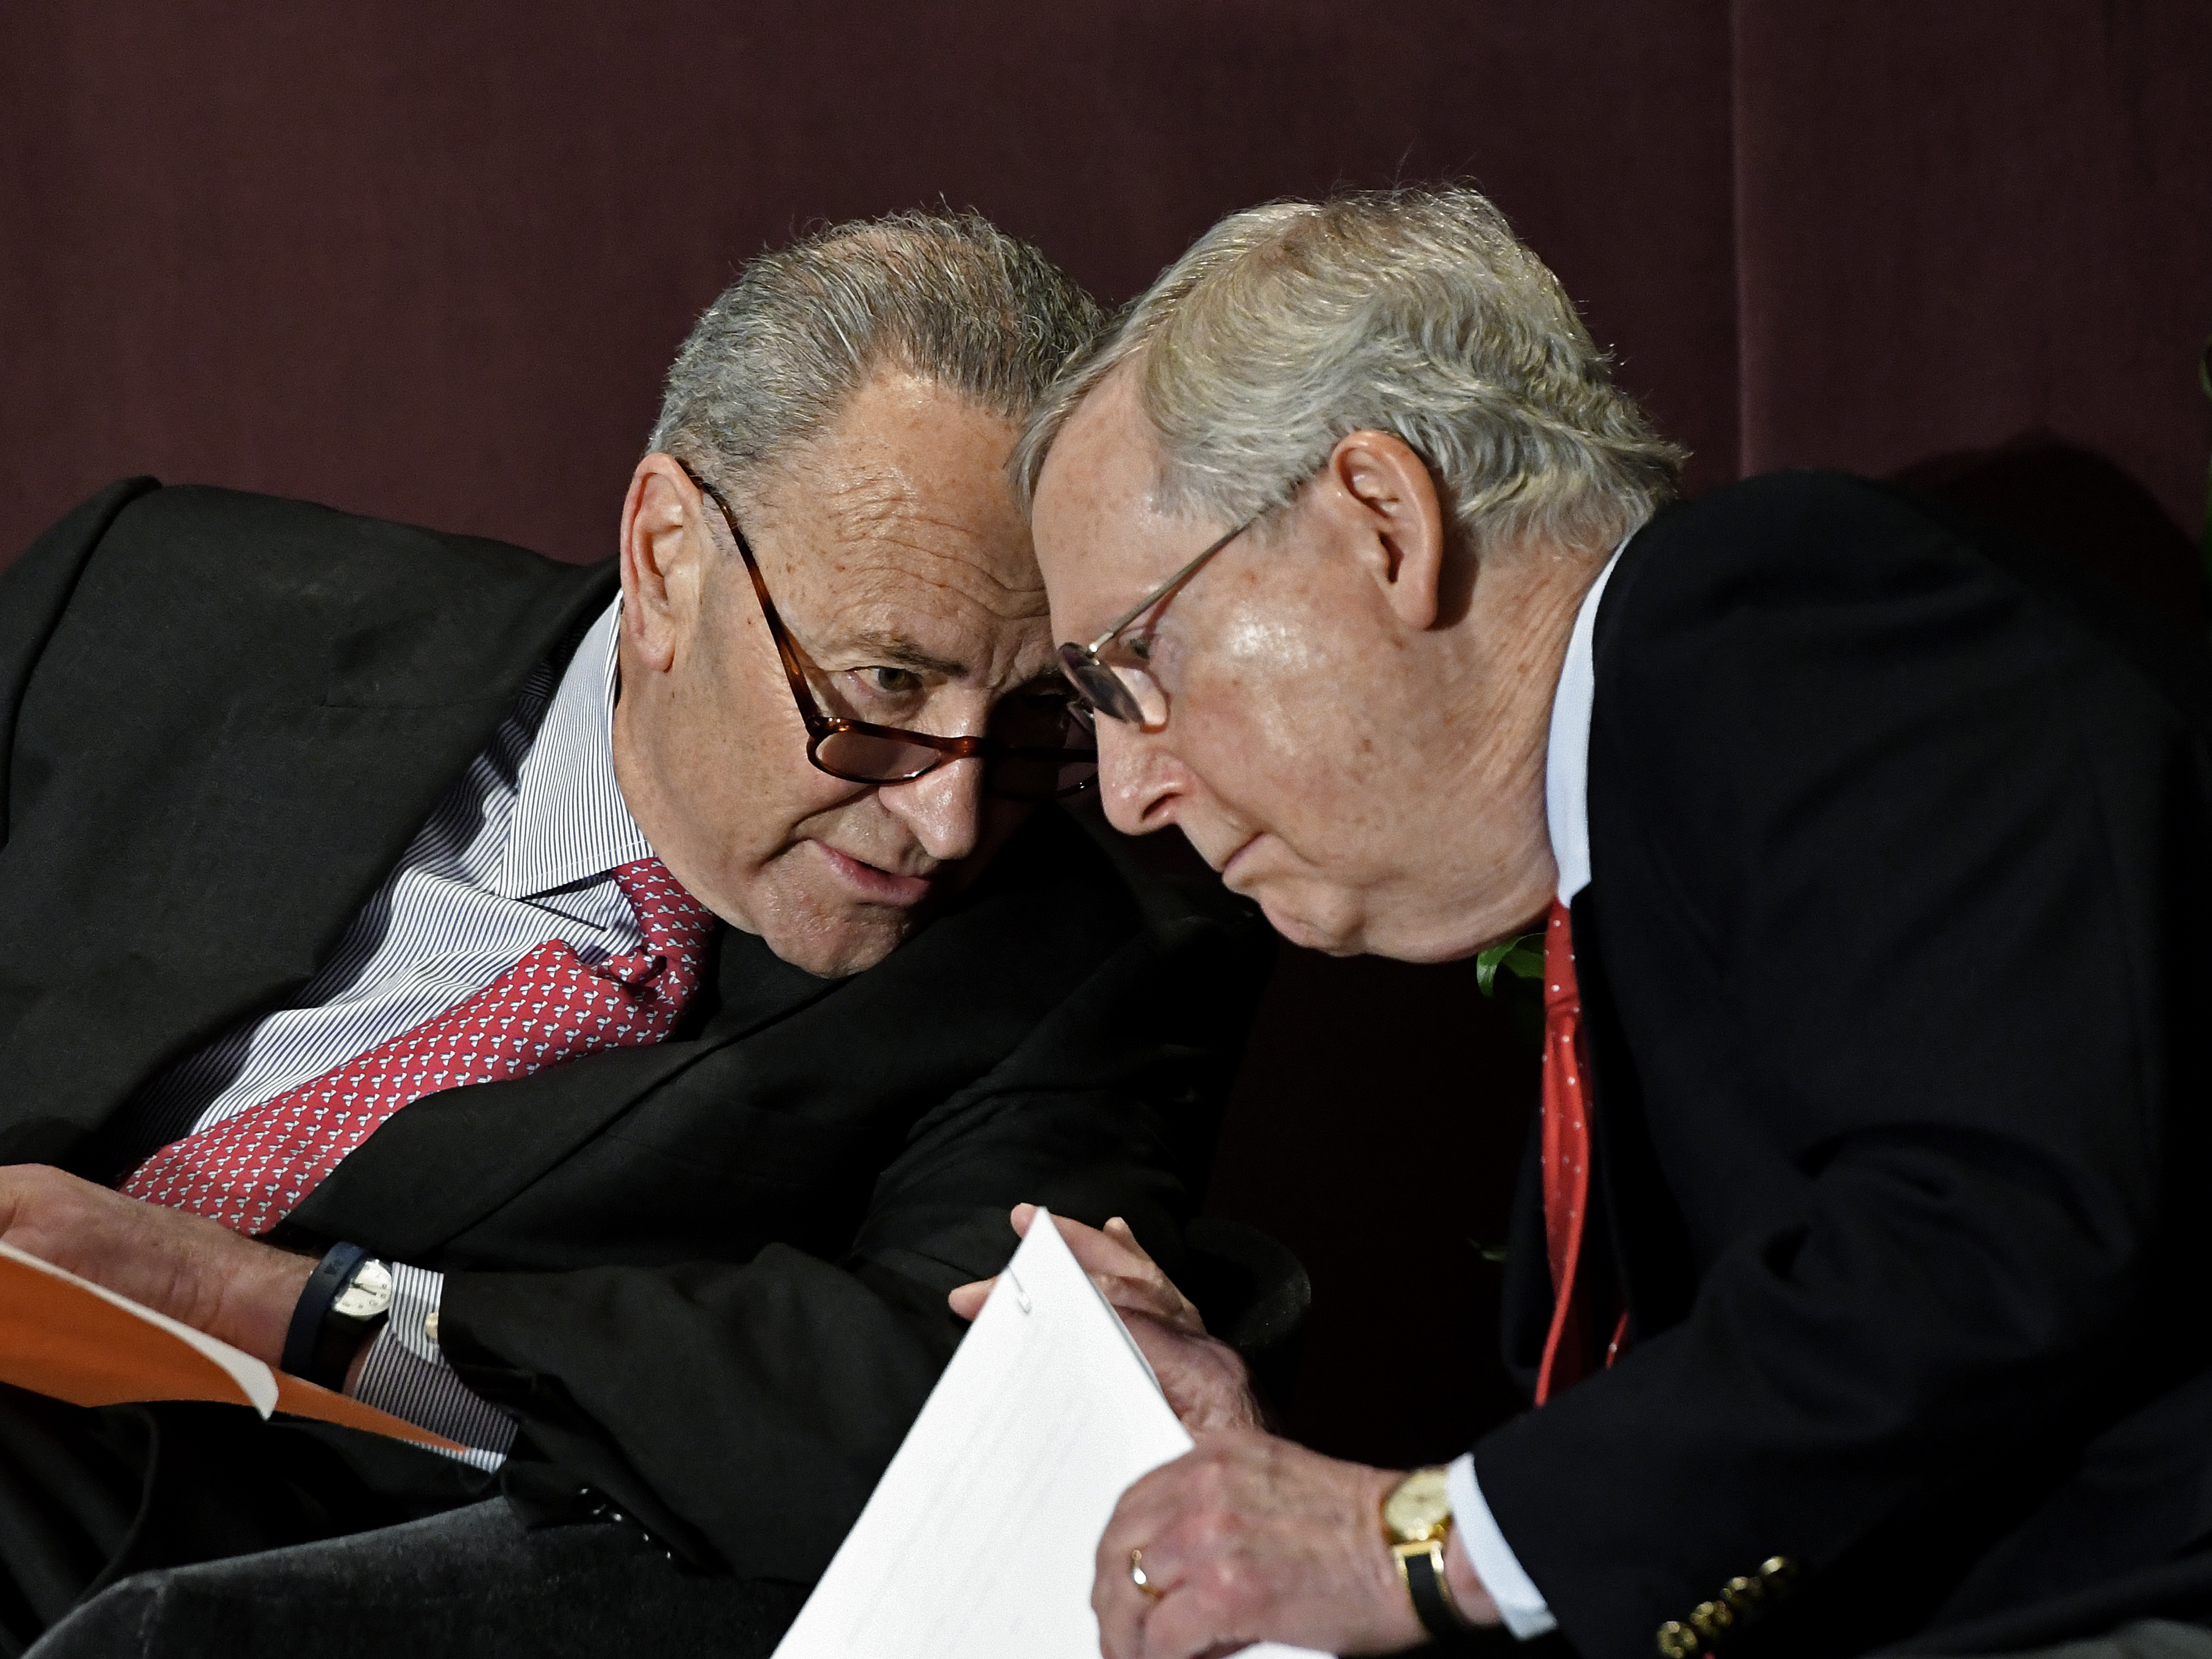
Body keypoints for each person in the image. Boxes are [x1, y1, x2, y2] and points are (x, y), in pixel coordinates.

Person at [0, 211, 1273, 1655]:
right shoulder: (166, 597)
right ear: (668, 557)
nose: (951, 818)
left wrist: (268, 1302)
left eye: (1039, 717)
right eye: (883, 687)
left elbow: (962, 1414)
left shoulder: (1076, 970)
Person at [988, 186, 2212, 1659]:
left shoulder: (1759, 609)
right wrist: (1264, 1498)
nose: (1126, 790)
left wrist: (1404, 1539)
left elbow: (1990, 1226)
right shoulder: (1629, 866)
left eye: (1130, 667)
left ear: (1382, 521)